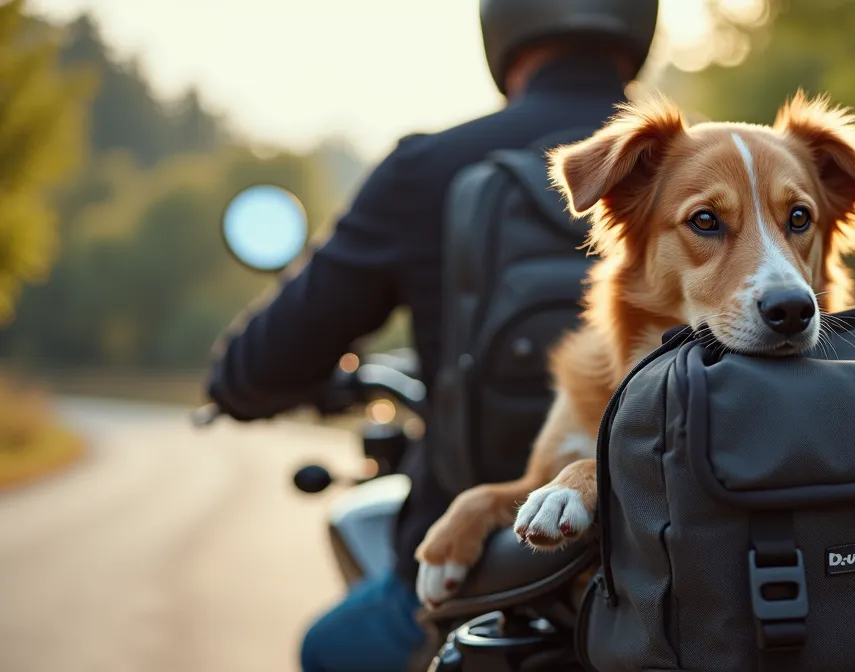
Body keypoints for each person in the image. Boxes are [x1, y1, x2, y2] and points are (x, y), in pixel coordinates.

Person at [203, 1, 659, 670]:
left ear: (501, 26)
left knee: (328, 646)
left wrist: (248, 388)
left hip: (479, 571)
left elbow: (257, 370)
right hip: (672, 564)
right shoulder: (713, 164)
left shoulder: (428, 168)